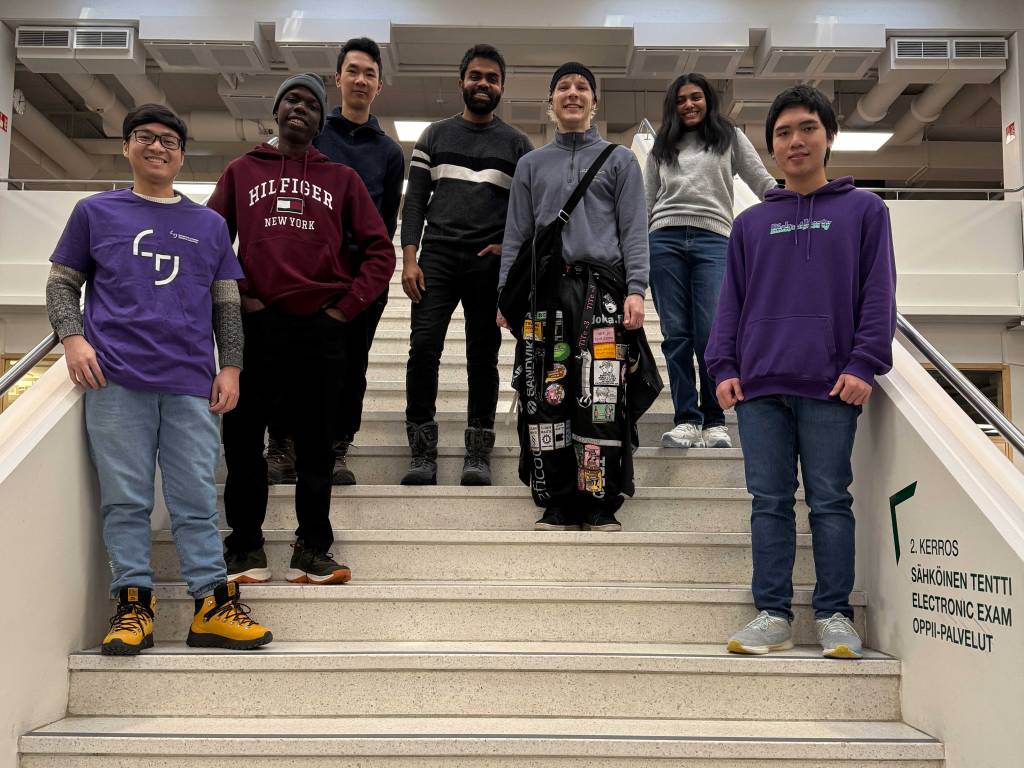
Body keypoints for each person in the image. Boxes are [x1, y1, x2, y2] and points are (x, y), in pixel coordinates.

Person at [45, 103, 272, 655]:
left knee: (196, 497)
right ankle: (133, 609)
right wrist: (73, 340)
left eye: (169, 141)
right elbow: (60, 285)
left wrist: (232, 366)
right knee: (125, 501)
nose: (157, 147)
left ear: (181, 154)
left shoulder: (209, 225)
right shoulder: (94, 212)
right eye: (145, 137)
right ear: (126, 147)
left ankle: (212, 606)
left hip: (191, 382)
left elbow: (227, 308)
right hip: (115, 380)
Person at [706, 85, 896, 659]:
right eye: (784, 132)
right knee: (769, 503)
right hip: (760, 384)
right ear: (770, 147)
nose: (796, 140)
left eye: (807, 128)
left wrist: (866, 362)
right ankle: (773, 615)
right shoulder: (751, 224)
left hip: (831, 384)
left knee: (830, 500)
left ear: (828, 136)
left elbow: (878, 294)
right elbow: (730, 302)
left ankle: (835, 614)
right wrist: (722, 366)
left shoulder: (865, 211)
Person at [208, 74, 394, 585]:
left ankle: (312, 548)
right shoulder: (242, 171)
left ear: (320, 120)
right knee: (244, 442)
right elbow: (210, 241)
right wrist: (241, 295)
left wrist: (345, 310)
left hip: (321, 327)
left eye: (312, 104)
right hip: (259, 325)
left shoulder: (343, 179)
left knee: (316, 446)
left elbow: (380, 253)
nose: (301, 109)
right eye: (292, 99)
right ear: (276, 110)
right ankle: (245, 546)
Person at [498, 62, 650, 532]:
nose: (573, 93)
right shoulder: (529, 164)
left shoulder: (621, 160)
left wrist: (637, 290)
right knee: (546, 398)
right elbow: (517, 235)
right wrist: (506, 295)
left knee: (601, 399)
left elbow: (633, 231)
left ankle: (599, 501)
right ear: (551, 101)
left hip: (602, 294)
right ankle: (558, 500)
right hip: (545, 297)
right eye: (563, 87)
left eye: (582, 86)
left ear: (594, 101)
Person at [265, 37, 405, 487]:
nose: (361, 80)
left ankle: (334, 448)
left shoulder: (389, 152)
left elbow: (382, 226)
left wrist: (367, 285)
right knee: (289, 362)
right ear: (338, 78)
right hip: (305, 274)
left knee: (351, 368)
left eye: (370, 73)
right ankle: (281, 445)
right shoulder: (313, 134)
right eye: (354, 71)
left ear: (379, 86)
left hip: (359, 282)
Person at [399, 43, 533, 486]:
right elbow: (415, 201)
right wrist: (410, 257)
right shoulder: (434, 136)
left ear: (501, 88)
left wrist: (505, 248)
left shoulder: (517, 145)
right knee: (423, 352)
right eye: (476, 76)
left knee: (483, 356)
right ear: (461, 83)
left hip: (486, 263)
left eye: (492, 78)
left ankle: (479, 450)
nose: (483, 84)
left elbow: (525, 211)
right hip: (435, 257)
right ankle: (422, 451)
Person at [644, 73, 776, 450]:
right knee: (676, 336)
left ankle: (715, 420)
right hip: (663, 240)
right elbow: (644, 201)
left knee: (711, 334)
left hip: (714, 241)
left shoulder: (729, 137)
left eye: (696, 97)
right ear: (673, 106)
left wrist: (794, 207)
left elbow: (761, 180)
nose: (689, 104)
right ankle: (687, 419)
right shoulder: (661, 146)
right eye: (681, 99)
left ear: (708, 101)